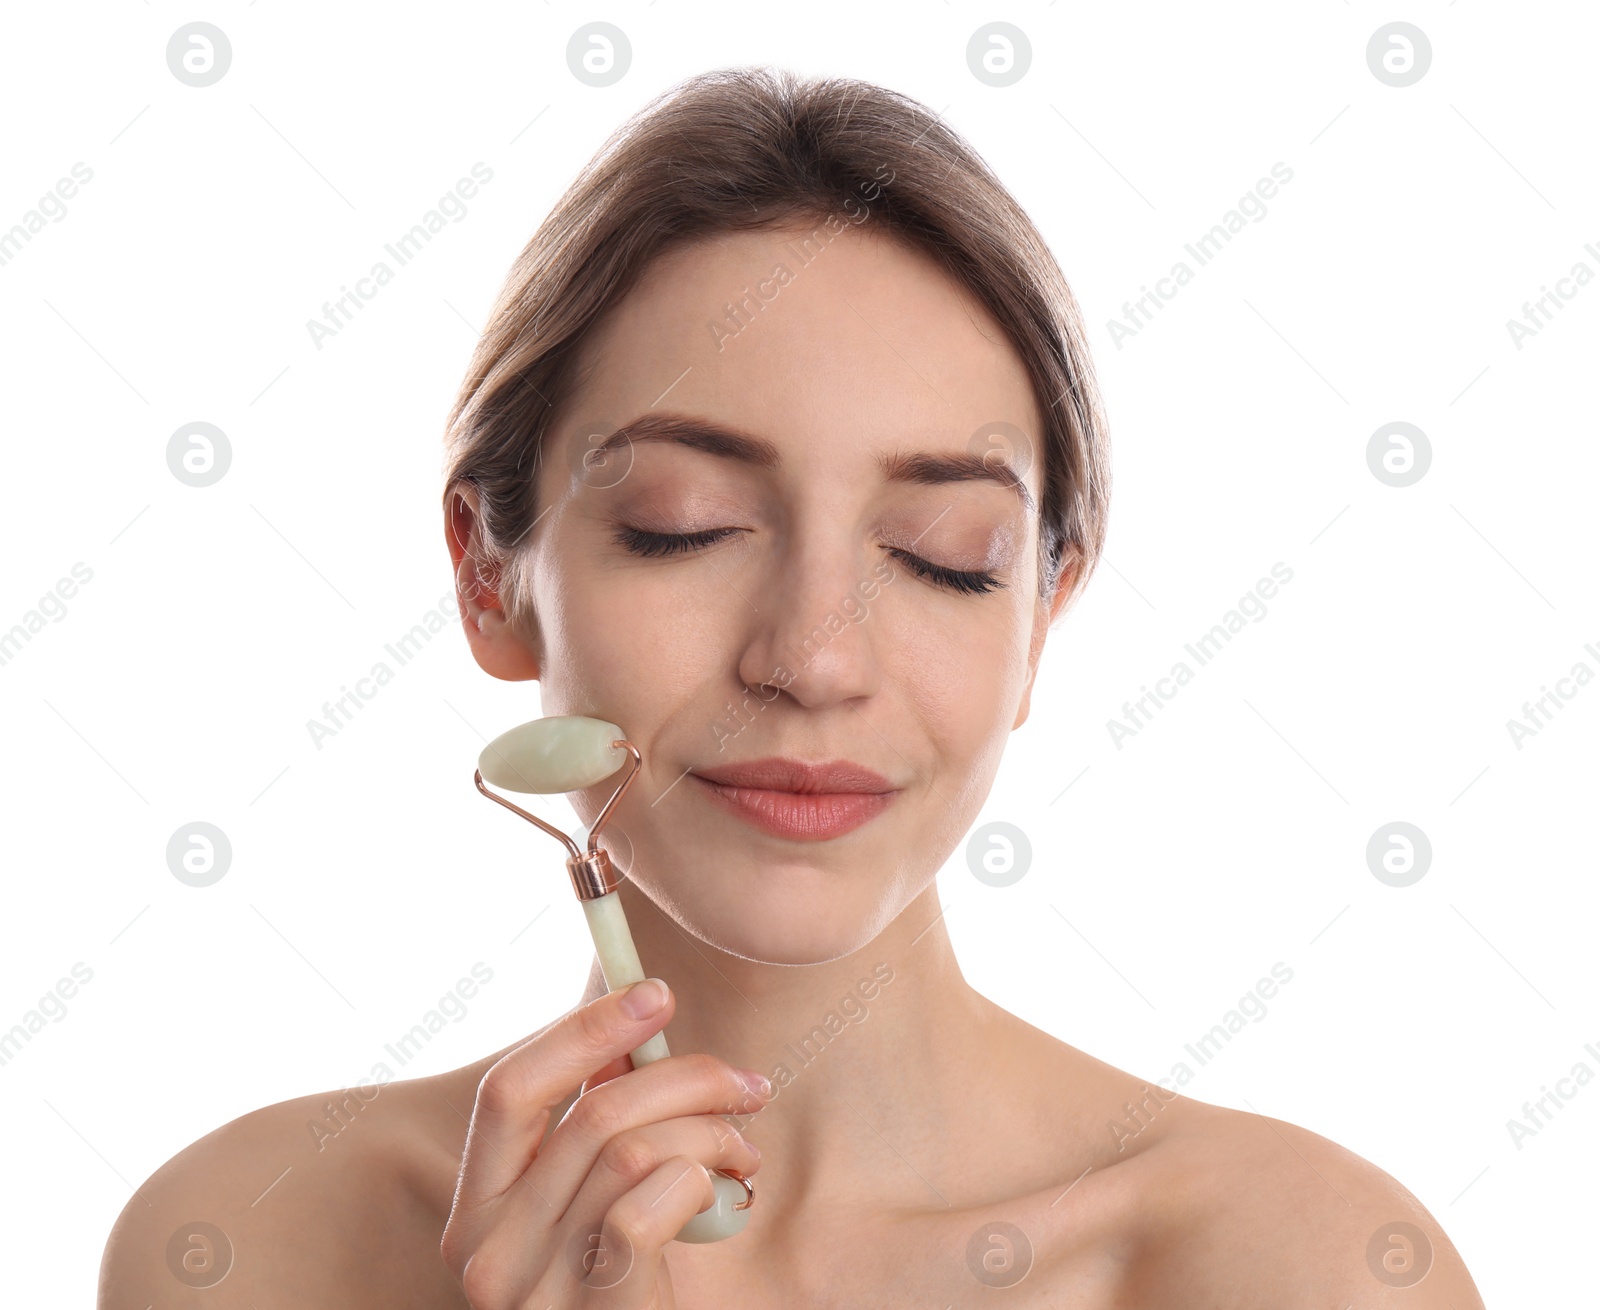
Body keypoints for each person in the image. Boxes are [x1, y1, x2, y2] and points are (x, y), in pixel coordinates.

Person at [99, 66, 1484, 1308]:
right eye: (684, 526)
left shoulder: (1307, 1268)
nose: (815, 659)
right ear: (488, 575)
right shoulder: (245, 1249)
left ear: (1043, 614)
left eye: (947, 557)